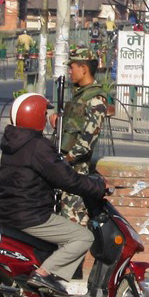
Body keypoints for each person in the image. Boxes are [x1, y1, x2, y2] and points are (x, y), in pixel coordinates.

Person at [0, 92, 108, 296]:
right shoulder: (37, 146)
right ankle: (44, 275)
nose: (46, 119)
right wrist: (98, 188)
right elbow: (66, 179)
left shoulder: (13, 142)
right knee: (83, 237)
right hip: (31, 216)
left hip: (7, 212)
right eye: (44, 114)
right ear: (36, 116)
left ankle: (35, 296)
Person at [56, 46, 109, 228]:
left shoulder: (95, 99)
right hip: (66, 168)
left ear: (84, 69)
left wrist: (65, 160)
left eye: (73, 67)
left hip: (76, 170)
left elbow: (87, 141)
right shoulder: (80, 95)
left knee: (73, 225)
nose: (70, 71)